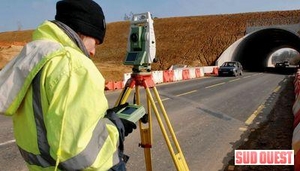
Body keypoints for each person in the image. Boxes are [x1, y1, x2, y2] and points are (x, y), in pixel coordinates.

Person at [0, 0, 136, 170]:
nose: (93, 51)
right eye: (96, 42)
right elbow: (78, 153)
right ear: (83, 31)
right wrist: (117, 127)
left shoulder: (34, 57)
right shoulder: (73, 65)